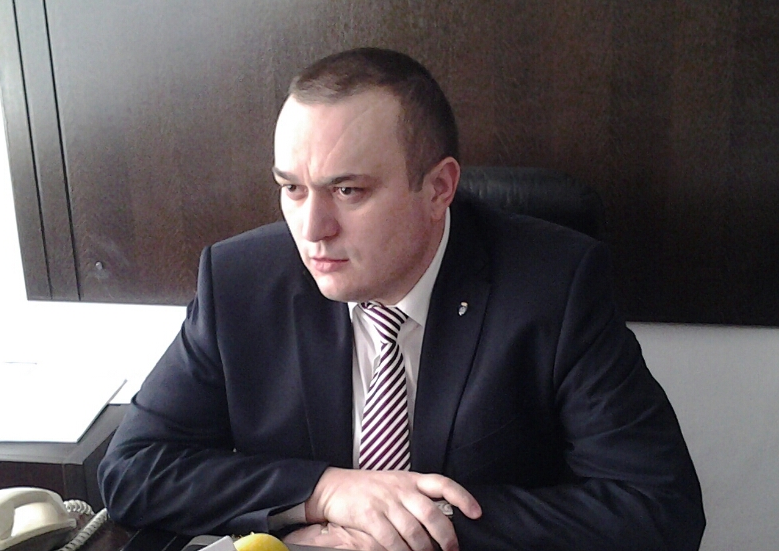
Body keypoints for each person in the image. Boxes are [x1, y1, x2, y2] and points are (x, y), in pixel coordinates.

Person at [98, 47, 705, 551]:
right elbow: (134, 470)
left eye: (348, 191)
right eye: (292, 189)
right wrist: (325, 493)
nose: (312, 230)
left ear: (438, 187)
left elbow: (659, 507)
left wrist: (407, 523)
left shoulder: (554, 285)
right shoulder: (239, 281)